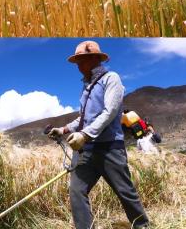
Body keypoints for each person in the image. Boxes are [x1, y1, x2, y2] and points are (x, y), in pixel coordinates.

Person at [48, 41, 149, 229]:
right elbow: (84, 118)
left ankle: (142, 226)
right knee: (77, 192)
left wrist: (85, 135)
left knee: (125, 192)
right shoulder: (87, 87)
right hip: (86, 151)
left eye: (81, 60)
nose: (78, 65)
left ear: (95, 58)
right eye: (76, 61)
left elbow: (110, 111)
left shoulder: (111, 79)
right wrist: (63, 130)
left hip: (109, 148)